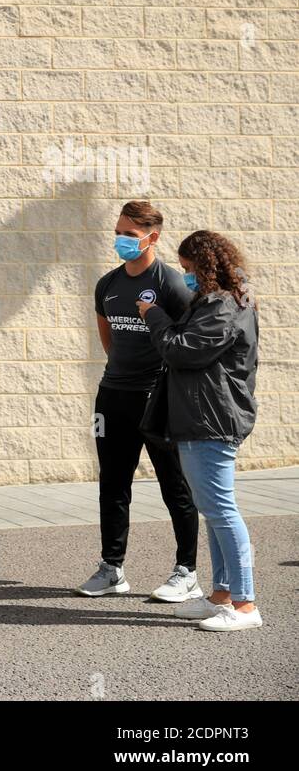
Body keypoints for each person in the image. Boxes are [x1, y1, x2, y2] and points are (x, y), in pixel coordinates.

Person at [139, 230, 262, 632]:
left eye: (189, 269)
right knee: (213, 512)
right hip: (201, 417)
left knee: (222, 512)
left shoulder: (223, 305)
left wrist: (152, 315)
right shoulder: (218, 302)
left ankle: (244, 605)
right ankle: (222, 596)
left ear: (205, 266)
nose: (186, 276)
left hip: (211, 419)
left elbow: (181, 349)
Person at [79, 200, 200, 601]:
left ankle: (187, 571)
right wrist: (121, 373)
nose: (121, 240)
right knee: (112, 484)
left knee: (175, 485)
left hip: (158, 397)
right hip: (113, 395)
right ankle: (112, 568)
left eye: (129, 235)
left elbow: (186, 342)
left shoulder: (171, 283)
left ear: (152, 238)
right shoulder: (108, 284)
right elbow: (108, 337)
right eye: (118, 232)